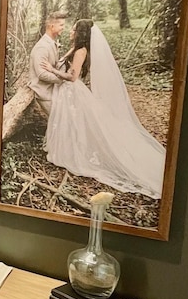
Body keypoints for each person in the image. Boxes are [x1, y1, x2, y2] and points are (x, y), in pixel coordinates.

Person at [40, 19, 165, 199]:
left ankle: (77, 153)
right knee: (73, 124)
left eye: (73, 30)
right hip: (66, 92)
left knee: (79, 124)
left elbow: (73, 77)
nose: (70, 32)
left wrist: (52, 70)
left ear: (80, 33)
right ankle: (69, 148)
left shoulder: (81, 51)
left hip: (72, 92)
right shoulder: (76, 48)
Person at [28, 12, 67, 116]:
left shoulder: (51, 42)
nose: (63, 28)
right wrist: (61, 79)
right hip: (44, 93)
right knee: (59, 121)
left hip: (53, 89)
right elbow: (41, 74)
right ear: (52, 26)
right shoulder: (42, 47)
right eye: (61, 25)